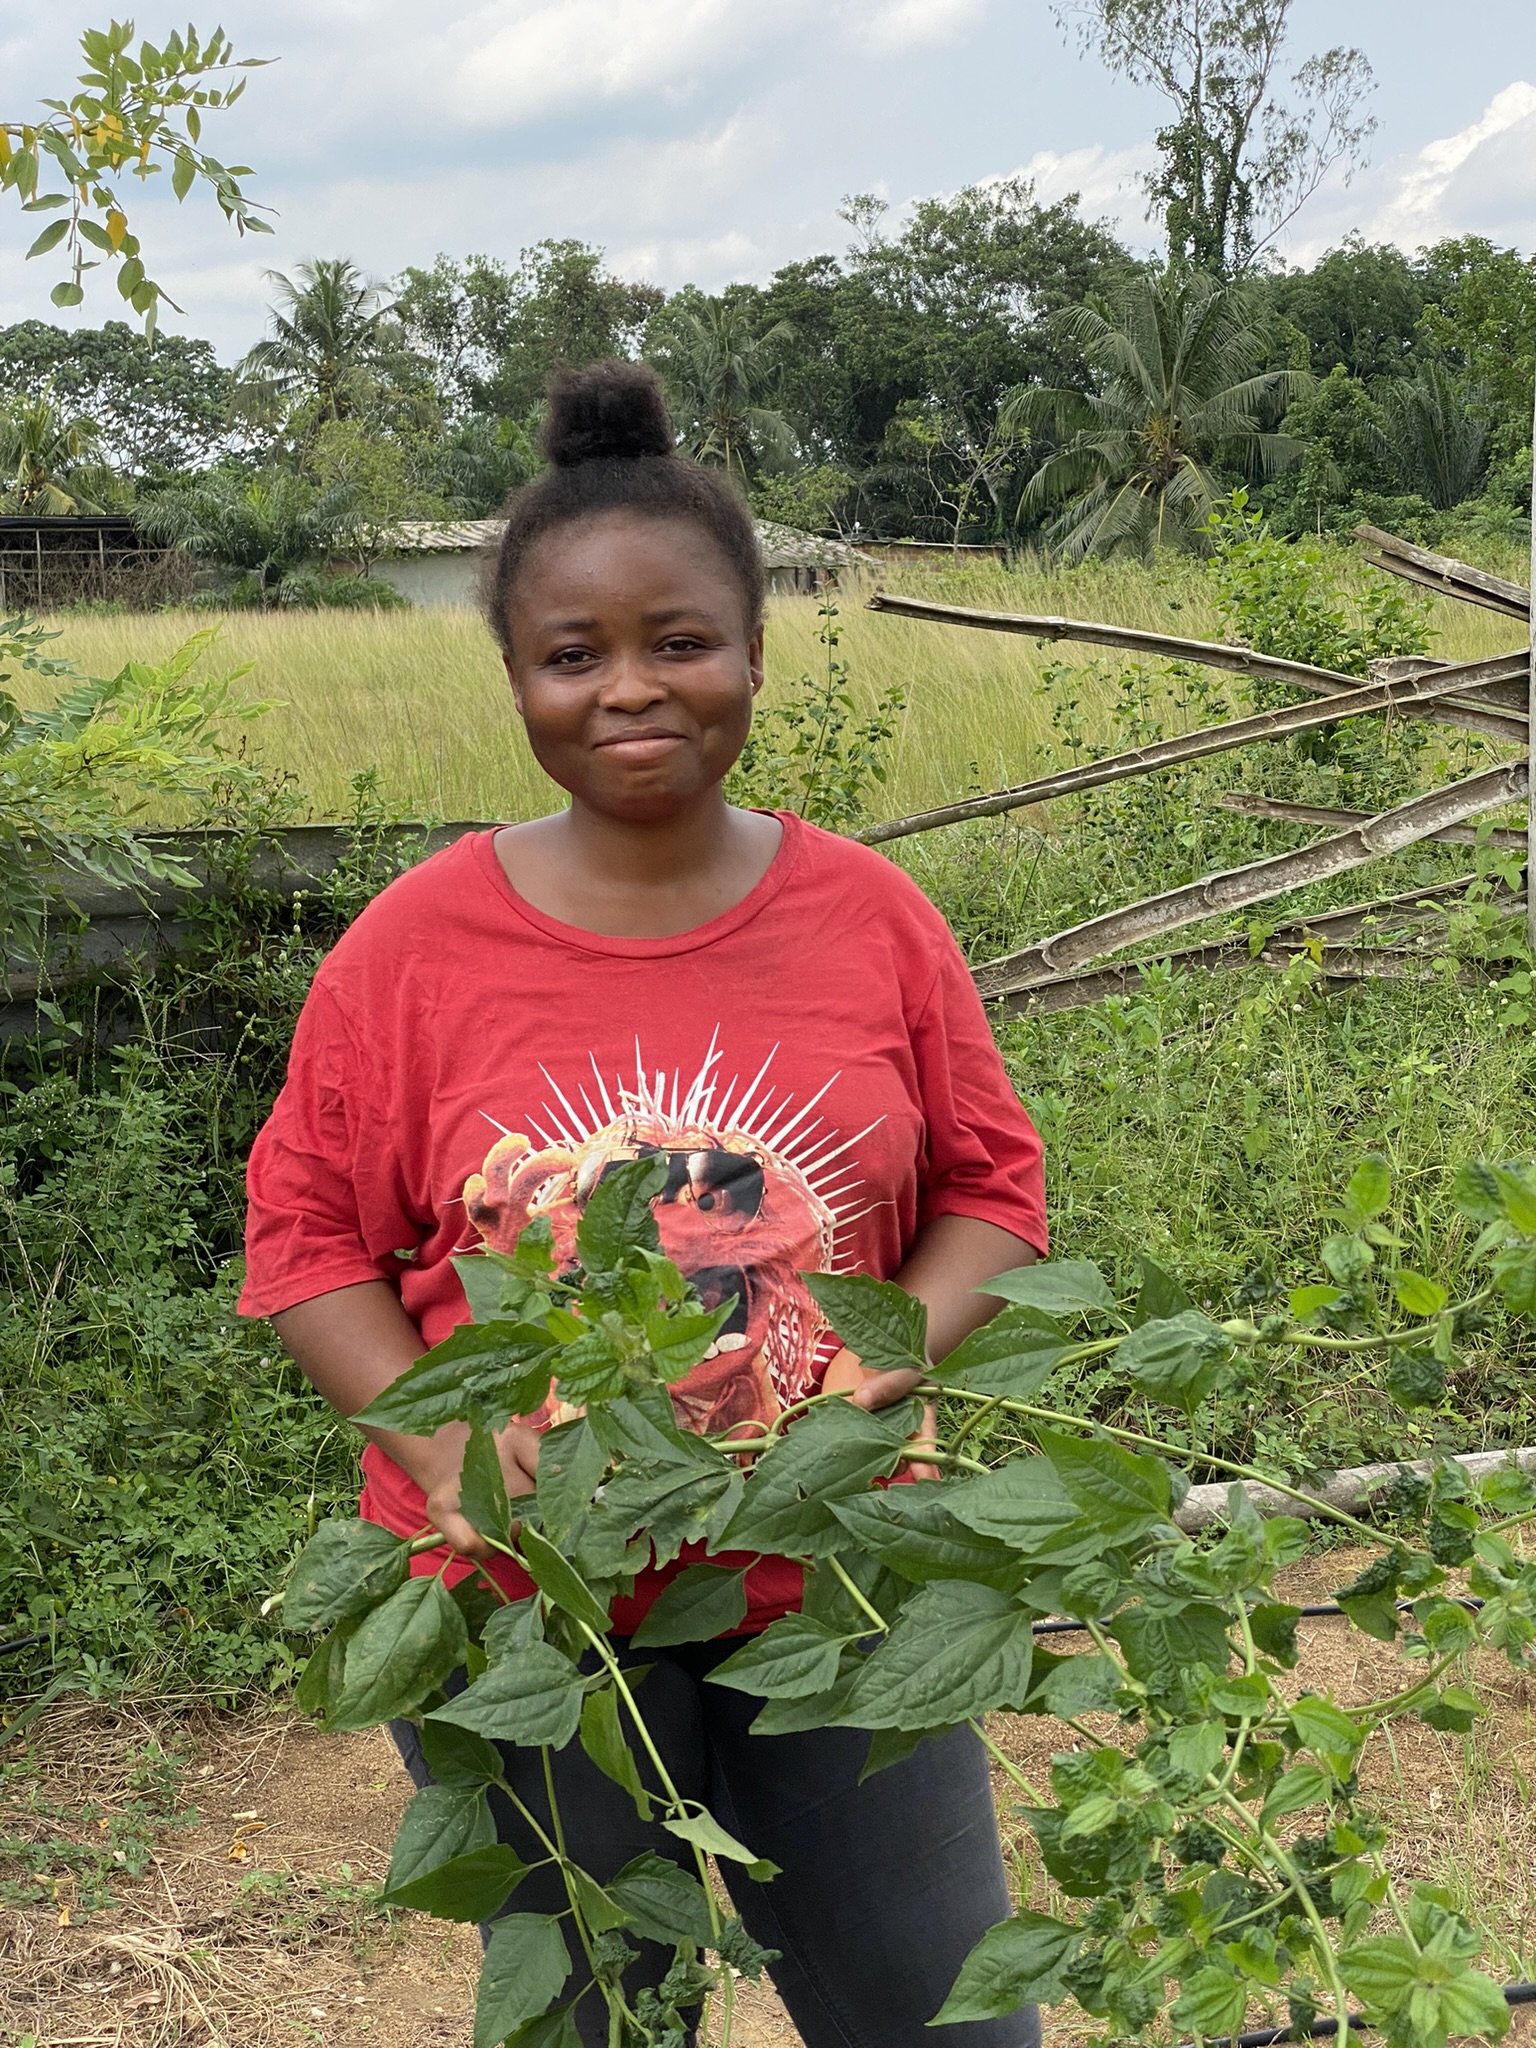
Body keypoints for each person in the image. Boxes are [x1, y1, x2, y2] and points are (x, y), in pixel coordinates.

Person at [241, 360, 1049, 2048]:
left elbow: (993, 1189)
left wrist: (866, 1378)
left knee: (946, 2017)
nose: (631, 690)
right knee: (596, 2014)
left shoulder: (874, 922)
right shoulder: (413, 948)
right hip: (529, 1610)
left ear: (754, 649)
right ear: (517, 679)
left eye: (679, 641)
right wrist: (448, 1449)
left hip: (831, 1584)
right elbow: (309, 1235)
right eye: (572, 654)